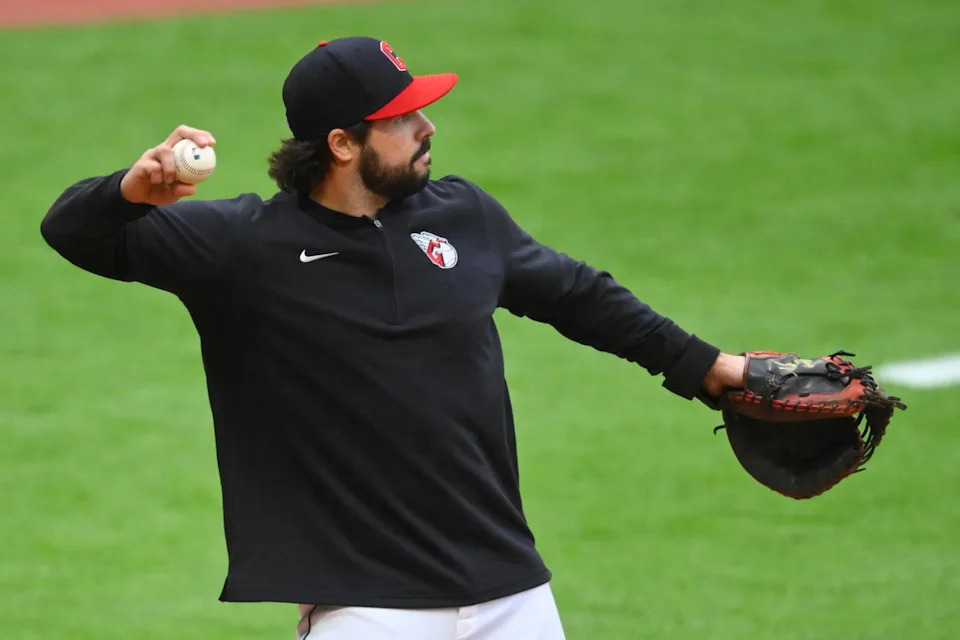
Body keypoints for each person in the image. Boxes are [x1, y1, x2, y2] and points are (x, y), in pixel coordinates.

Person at [41, 36, 746, 640]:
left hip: (511, 593)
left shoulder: (464, 216)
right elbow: (70, 231)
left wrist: (713, 369)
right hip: (368, 610)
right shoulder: (241, 247)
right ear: (342, 144)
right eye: (401, 118)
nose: (427, 127)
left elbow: (581, 296)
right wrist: (127, 192)